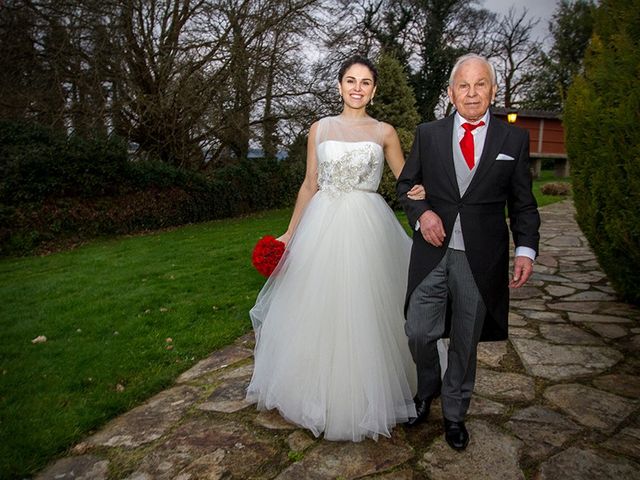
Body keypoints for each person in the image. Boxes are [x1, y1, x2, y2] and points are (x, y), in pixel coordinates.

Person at [246, 55, 426, 442]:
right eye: (350, 80)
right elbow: (310, 184)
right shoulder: (320, 128)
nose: (357, 88)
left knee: (365, 306)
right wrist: (290, 234)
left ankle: (365, 395)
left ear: (374, 90)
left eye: (365, 82)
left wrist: (426, 199)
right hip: (322, 226)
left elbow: (406, 180)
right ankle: (317, 393)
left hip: (368, 225)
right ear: (339, 85)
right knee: (319, 306)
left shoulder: (385, 132)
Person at [397, 53, 541, 450]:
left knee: (465, 338)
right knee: (419, 330)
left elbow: (523, 203)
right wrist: (422, 214)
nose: (472, 93)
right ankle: (428, 388)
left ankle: (455, 413)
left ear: (493, 91)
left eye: (481, 84)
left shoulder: (513, 139)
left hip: (481, 258)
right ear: (451, 92)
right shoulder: (428, 134)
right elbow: (405, 185)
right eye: (464, 85)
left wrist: (526, 249)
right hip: (431, 254)